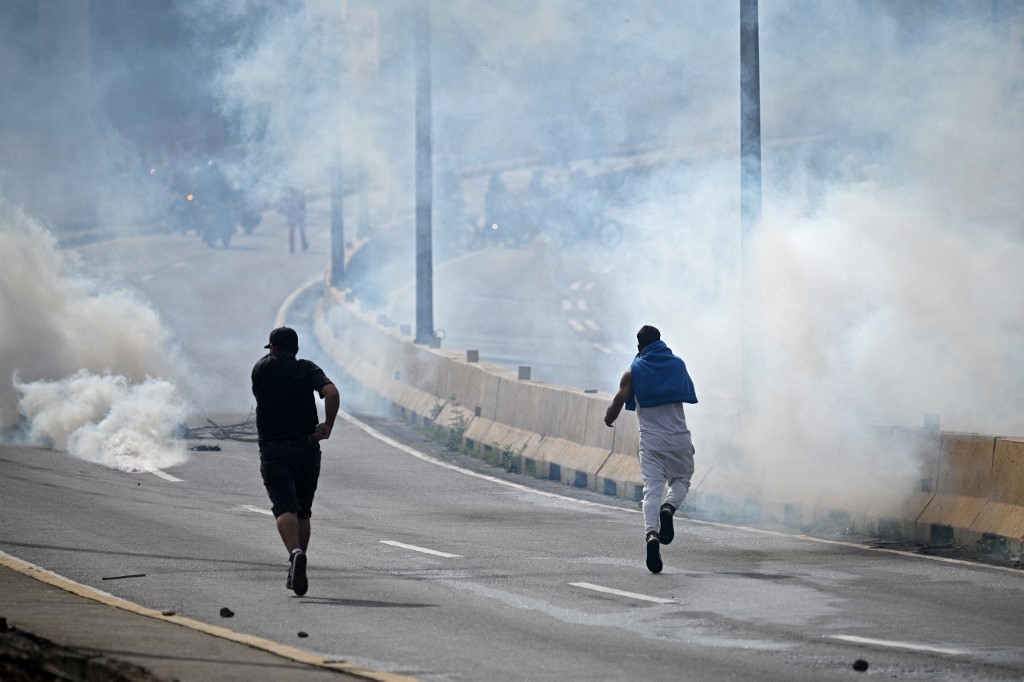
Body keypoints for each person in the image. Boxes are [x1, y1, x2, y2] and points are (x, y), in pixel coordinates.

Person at [252, 326, 339, 595]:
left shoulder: (261, 369)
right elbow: (332, 393)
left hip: (274, 449)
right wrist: (328, 425)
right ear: (297, 350)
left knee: (284, 507)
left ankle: (295, 553)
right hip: (307, 447)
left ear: (273, 349)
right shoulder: (306, 368)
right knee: (302, 510)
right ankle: (297, 560)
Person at [604, 325, 697, 574]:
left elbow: (617, 402)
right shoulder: (677, 365)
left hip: (651, 443)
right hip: (679, 440)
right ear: (660, 342)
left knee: (652, 491)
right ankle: (669, 508)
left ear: (639, 347)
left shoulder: (632, 373)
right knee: (682, 481)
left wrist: (609, 419)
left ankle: (652, 536)